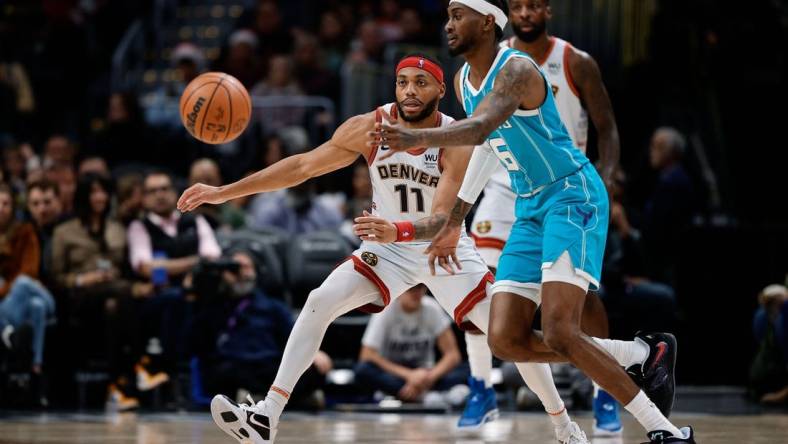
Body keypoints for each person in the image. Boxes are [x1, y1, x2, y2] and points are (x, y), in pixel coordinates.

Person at [179, 54, 589, 443]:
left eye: (421, 83)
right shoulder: (370, 127)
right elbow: (302, 167)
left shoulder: (456, 138)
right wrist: (223, 192)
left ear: (439, 91)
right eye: (403, 82)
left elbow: (443, 219)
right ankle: (267, 414)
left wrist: (395, 228)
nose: (410, 90)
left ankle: (564, 426)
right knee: (319, 301)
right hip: (389, 252)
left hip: (442, 250)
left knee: (509, 336)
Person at [369, 2, 693, 442]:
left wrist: (420, 135)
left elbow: (481, 126)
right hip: (528, 205)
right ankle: (639, 352)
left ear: (486, 22)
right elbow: (485, 146)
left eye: (458, 15)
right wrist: (456, 219)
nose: (448, 24)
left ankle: (665, 430)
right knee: (505, 338)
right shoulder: (465, 79)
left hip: (570, 194)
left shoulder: (516, 70)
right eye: (447, 15)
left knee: (562, 331)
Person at [464, 0, 624, 434]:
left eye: (534, 6)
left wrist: (606, 180)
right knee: (478, 281)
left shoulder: (575, 61)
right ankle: (481, 385)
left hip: (564, 184)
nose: (526, 14)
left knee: (581, 299)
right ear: (505, 15)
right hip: (506, 183)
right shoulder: (490, 60)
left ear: (548, 11)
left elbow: (607, 126)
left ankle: (603, 388)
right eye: (518, 6)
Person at [51, 174, 166, 410]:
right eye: (93, 192)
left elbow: (123, 269)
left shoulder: (116, 229)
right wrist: (85, 278)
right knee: (125, 293)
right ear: (83, 196)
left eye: (103, 191)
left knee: (114, 307)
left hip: (114, 298)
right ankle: (141, 364)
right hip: (80, 299)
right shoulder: (64, 231)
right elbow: (57, 278)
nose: (100, 196)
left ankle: (115, 389)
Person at [189, 250, 332, 407]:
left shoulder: (272, 306)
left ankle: (256, 398)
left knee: (314, 369)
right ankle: (292, 399)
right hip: (235, 365)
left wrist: (313, 352)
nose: (241, 273)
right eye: (235, 268)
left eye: (246, 267)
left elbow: (294, 335)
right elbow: (195, 339)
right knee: (220, 374)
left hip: (269, 365)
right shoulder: (214, 306)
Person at [355, 284, 467, 402]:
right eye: (410, 289)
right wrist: (409, 375)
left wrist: (429, 377)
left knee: (469, 369)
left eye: (420, 287)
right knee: (362, 370)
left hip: (426, 373)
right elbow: (367, 355)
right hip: (395, 373)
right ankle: (428, 395)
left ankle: (404, 393)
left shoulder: (432, 308)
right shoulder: (385, 311)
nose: (416, 292)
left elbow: (453, 355)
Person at [0, 183, 55, 377]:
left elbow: (29, 271)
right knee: (36, 306)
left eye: (5, 203)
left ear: (13, 207)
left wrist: (5, 291)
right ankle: (36, 364)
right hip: (19, 304)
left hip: (27, 289)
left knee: (23, 284)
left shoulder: (25, 232)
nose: (1, 208)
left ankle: (6, 330)